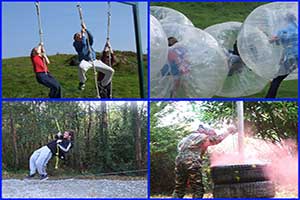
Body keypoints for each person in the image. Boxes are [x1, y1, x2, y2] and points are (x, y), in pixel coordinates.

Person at [172, 123, 237, 198]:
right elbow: (217, 139)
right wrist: (228, 131)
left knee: (179, 188)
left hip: (179, 162)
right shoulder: (201, 136)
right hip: (191, 161)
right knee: (198, 189)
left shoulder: (184, 139)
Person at [73, 23, 114, 91]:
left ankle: (102, 84)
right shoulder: (76, 44)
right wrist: (83, 34)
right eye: (78, 36)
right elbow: (83, 44)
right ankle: (82, 82)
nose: (80, 36)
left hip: (94, 61)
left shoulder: (87, 41)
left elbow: (91, 37)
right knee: (81, 67)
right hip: (85, 61)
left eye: (79, 35)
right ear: (75, 39)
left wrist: (86, 29)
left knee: (110, 71)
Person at [266, 13, 298, 98]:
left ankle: (270, 97)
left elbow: (272, 40)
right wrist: (282, 58)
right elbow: (290, 45)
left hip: (293, 57)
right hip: (295, 56)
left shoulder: (284, 30)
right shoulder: (297, 29)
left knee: (277, 79)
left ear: (286, 20)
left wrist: (262, 37)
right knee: (279, 76)